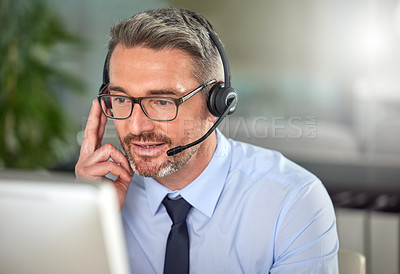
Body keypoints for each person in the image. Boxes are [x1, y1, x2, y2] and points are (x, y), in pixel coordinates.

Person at [75, 7, 339, 274]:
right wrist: (86, 220)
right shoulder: (104, 195)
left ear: (218, 105)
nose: (135, 126)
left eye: (162, 102)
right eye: (121, 99)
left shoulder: (292, 202)